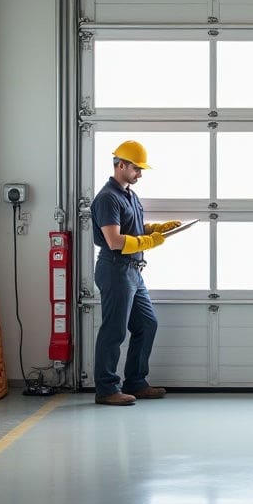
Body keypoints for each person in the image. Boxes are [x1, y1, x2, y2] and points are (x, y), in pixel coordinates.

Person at [91, 140, 180, 406]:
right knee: (114, 330)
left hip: (133, 271)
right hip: (115, 269)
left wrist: (156, 229)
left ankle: (136, 383)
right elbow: (115, 241)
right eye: (136, 169)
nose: (140, 174)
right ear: (121, 165)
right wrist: (149, 242)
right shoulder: (107, 198)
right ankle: (106, 389)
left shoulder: (129, 194)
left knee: (146, 323)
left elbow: (135, 228)